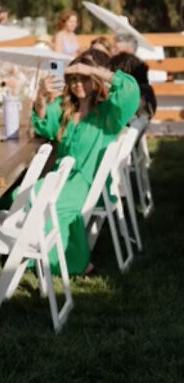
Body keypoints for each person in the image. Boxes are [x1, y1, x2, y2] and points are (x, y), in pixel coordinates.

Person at [31, 48, 140, 274]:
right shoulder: (65, 108)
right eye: (74, 79)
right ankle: (32, 251)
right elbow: (45, 125)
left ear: (96, 81)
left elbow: (130, 89)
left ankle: (70, 262)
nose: (78, 83)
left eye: (85, 79)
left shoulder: (108, 114)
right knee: (23, 196)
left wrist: (90, 68)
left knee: (48, 205)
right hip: (61, 176)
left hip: (87, 182)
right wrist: (41, 97)